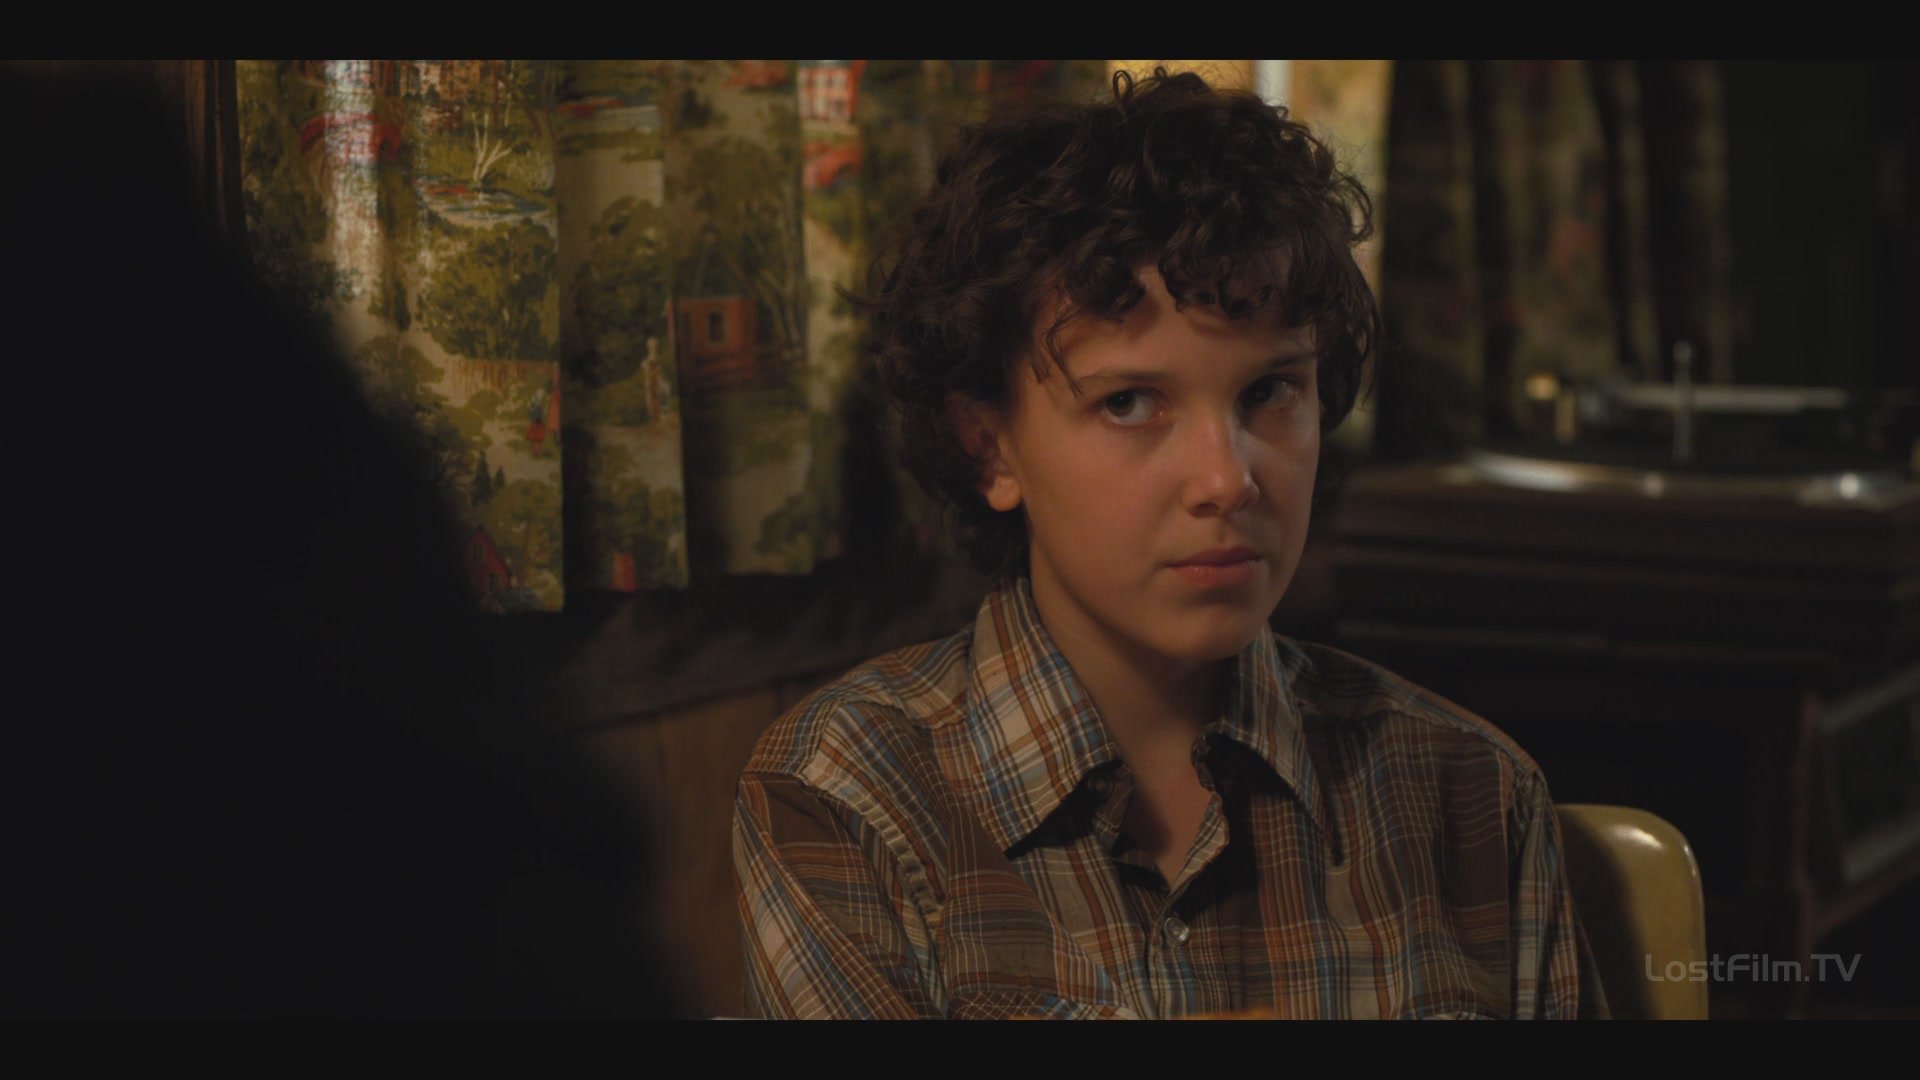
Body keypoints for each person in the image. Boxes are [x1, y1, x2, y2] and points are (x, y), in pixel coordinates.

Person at [732, 68, 1607, 1020]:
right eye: (1129, 404)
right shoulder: (851, 795)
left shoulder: (1469, 790)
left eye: (1270, 392)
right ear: (989, 444)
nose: (1227, 480)